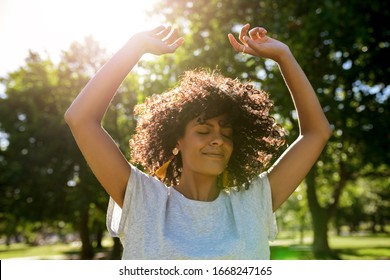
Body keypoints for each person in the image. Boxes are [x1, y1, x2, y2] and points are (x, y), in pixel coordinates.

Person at [64, 23, 332, 259]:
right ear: (176, 141)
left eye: (226, 133)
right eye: (203, 131)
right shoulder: (144, 200)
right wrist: (134, 48)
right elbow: (81, 119)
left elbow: (316, 133)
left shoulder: (252, 203)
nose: (218, 140)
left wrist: (284, 56)